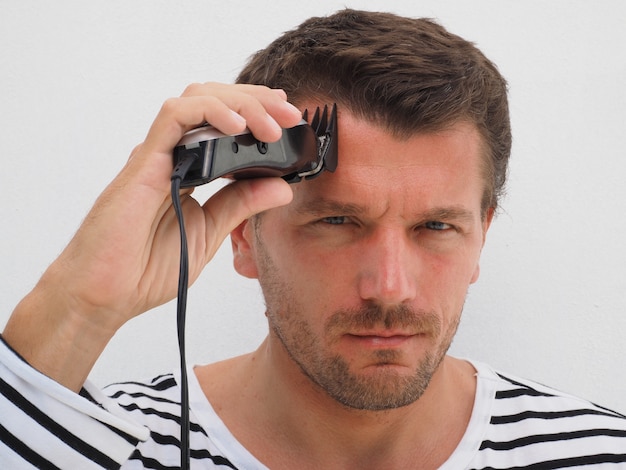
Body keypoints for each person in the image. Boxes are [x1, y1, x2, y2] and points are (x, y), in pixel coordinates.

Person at [1, 8, 625, 469]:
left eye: (436, 226)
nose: (389, 288)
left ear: (481, 238)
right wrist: (80, 306)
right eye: (337, 222)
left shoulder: (599, 455)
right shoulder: (102, 442)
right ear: (243, 233)